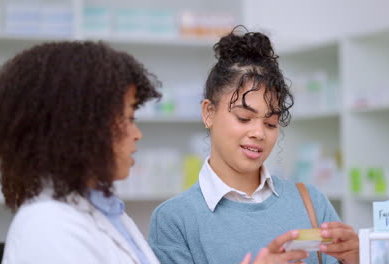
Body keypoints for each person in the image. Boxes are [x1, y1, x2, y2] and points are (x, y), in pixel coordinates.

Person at [0, 41, 308, 264]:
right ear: (77, 127)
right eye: (127, 118)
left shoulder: (106, 214)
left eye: (270, 121)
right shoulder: (48, 229)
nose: (136, 132)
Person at [148, 28, 360, 264]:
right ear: (208, 112)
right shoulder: (175, 220)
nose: (259, 133)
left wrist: (358, 259)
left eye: (270, 123)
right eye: (243, 118)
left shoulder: (311, 202)